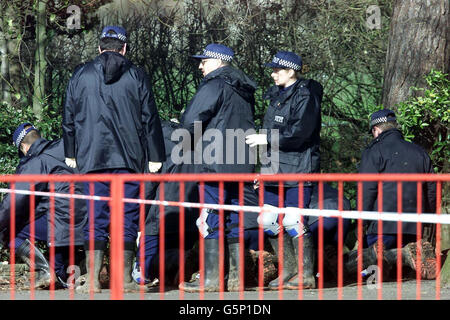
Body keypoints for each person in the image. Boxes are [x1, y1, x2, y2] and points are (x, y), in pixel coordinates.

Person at [62, 26, 166, 293]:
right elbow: (150, 118)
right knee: (127, 216)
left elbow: (69, 118)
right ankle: (125, 280)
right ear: (125, 48)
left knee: (95, 216)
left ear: (99, 48)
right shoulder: (136, 75)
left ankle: (93, 279)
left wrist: (70, 152)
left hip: (91, 160)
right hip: (129, 159)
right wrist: (155, 156)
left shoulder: (80, 74)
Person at [177, 43, 260, 292]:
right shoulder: (244, 89)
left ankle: (212, 279)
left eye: (204, 60)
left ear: (217, 61)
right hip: (242, 162)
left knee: (210, 217)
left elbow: (191, 120)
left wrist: (186, 142)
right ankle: (236, 278)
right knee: (235, 217)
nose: (201, 65)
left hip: (215, 163)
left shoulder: (214, 85)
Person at [246, 50, 323, 290]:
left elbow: (300, 134)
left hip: (298, 168)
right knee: (266, 220)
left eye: (277, 70)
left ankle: (306, 274)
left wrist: (265, 138)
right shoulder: (276, 96)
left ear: (291, 71)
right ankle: (288, 270)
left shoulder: (306, 96)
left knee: (293, 220)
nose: (272, 74)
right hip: (273, 169)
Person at [344, 108, 437, 280]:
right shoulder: (420, 152)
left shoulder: (373, 151)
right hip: (413, 226)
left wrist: (361, 221)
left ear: (376, 130)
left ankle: (395, 257)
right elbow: (431, 189)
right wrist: (429, 218)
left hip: (382, 226)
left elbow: (366, 190)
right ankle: (404, 255)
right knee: (400, 277)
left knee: (367, 273)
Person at [0, 123, 87, 289]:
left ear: (24, 147)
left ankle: (45, 270)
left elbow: (15, 201)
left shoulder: (36, 161)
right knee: (61, 279)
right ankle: (72, 269)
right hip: (89, 220)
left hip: (61, 222)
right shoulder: (66, 148)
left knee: (7, 230)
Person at [132, 118, 199, 286]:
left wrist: (139, 217)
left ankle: (177, 259)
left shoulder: (156, 144)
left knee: (142, 272)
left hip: (160, 216)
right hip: (191, 216)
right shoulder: (197, 141)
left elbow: (149, 184)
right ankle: (181, 260)